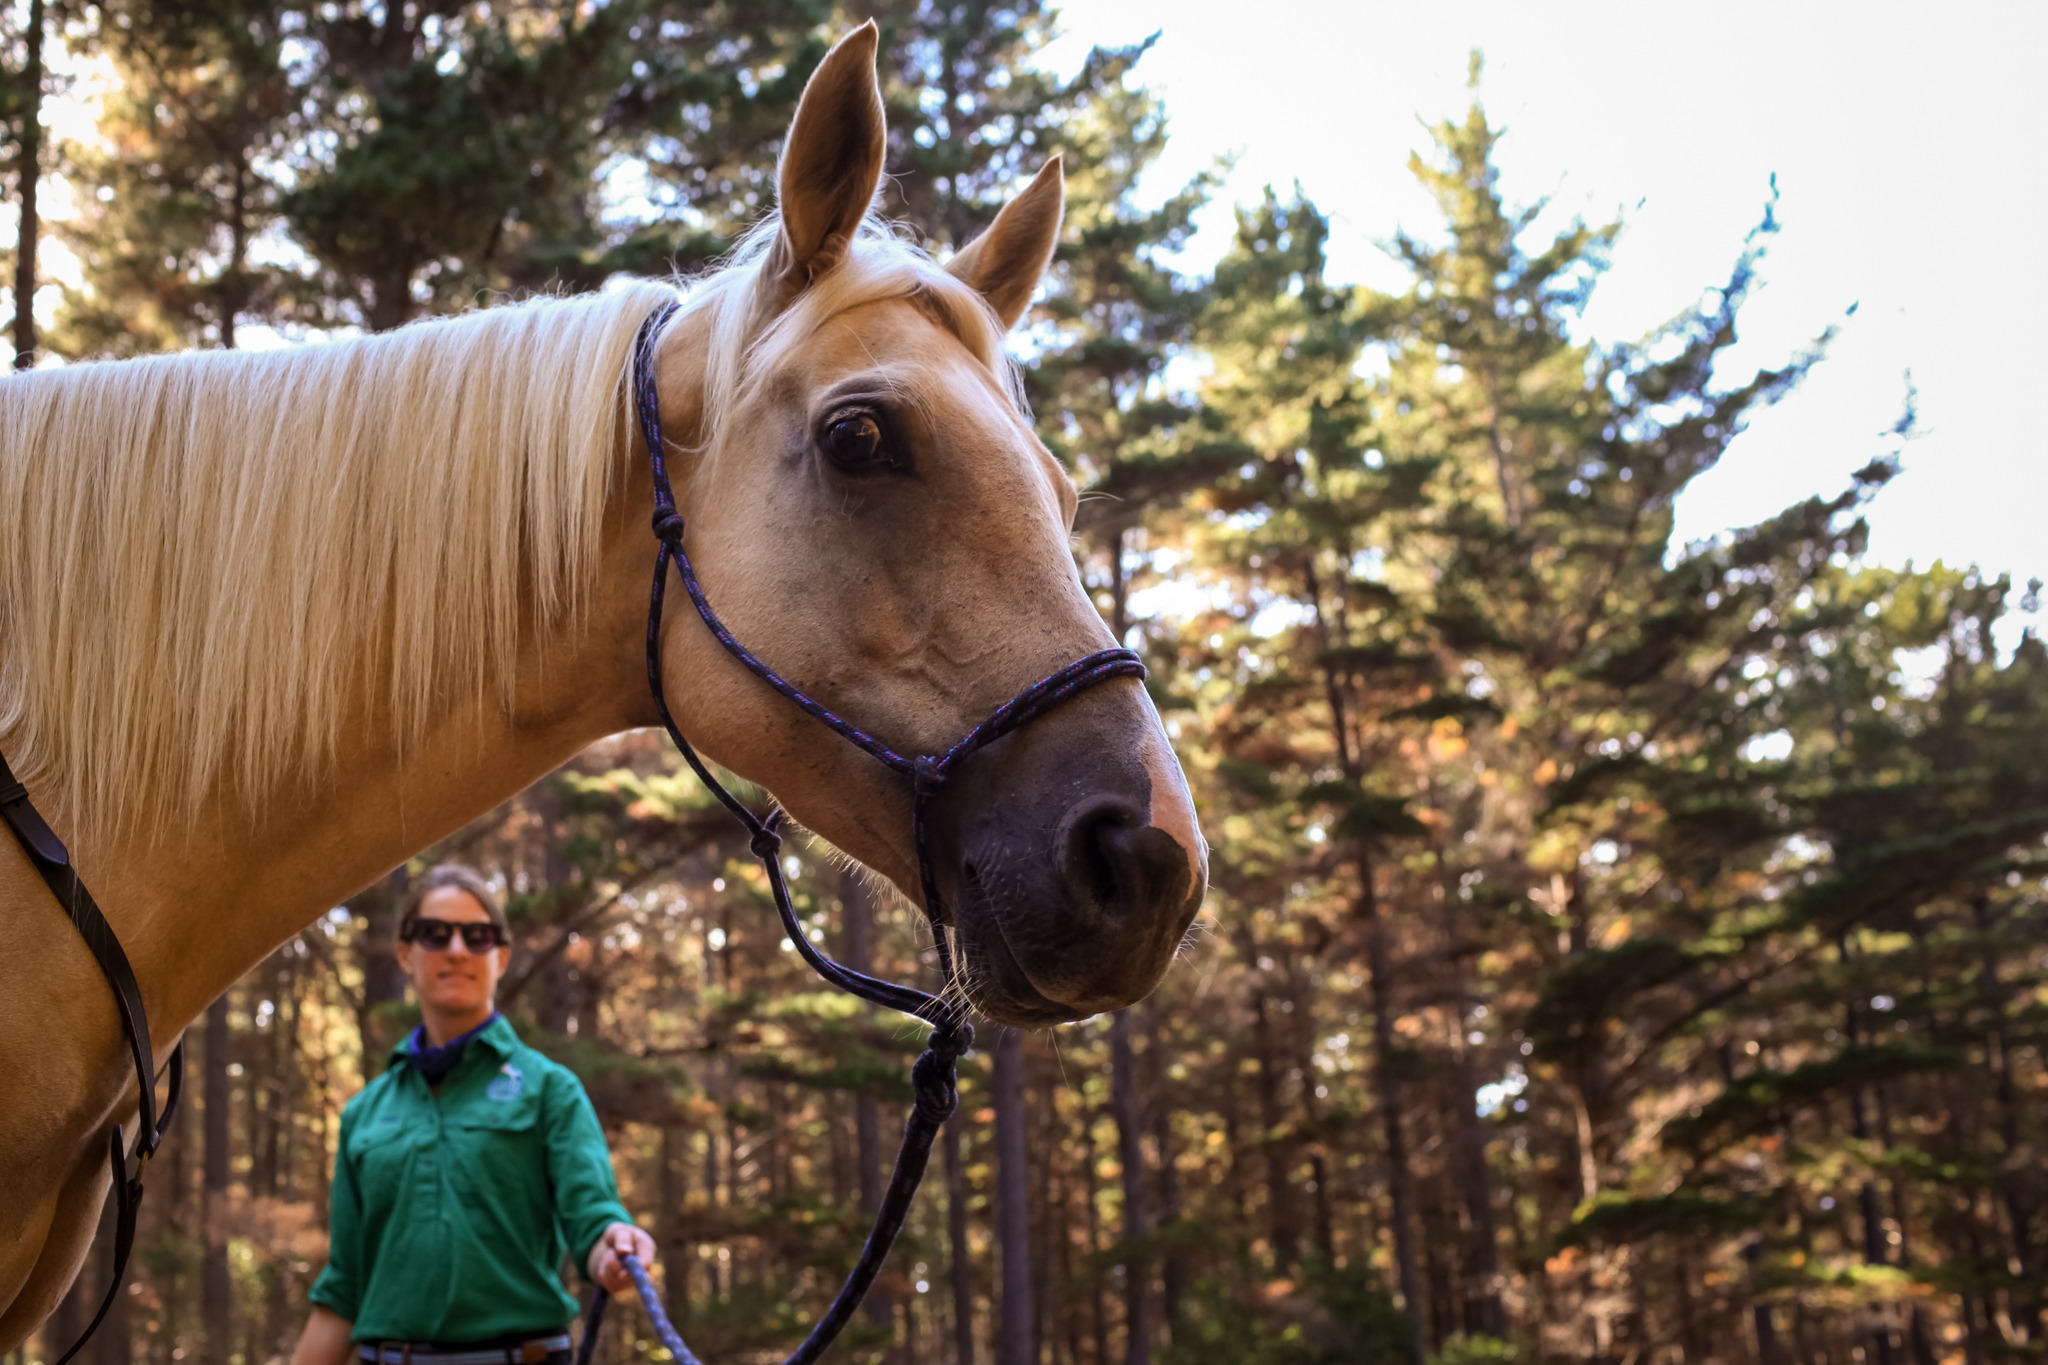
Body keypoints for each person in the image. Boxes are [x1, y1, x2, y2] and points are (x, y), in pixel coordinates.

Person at [292, 865, 657, 1365]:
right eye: (435, 934)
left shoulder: (551, 1090)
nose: (457, 950)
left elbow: (592, 1222)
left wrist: (614, 1248)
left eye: (478, 936)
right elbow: (344, 1288)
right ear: (406, 954)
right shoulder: (365, 1112)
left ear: (501, 957)